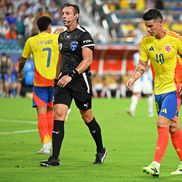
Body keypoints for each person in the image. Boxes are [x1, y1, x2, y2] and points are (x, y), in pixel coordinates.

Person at [40, 3, 107, 167]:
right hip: (64, 81)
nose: (64, 16)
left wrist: (72, 75)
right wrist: (57, 77)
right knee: (59, 115)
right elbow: (61, 59)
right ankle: (55, 158)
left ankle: (100, 149)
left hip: (80, 81)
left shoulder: (84, 35)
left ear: (76, 16)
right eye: (63, 13)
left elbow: (88, 60)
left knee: (87, 117)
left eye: (68, 13)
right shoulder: (61, 36)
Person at [126, 9, 182, 177]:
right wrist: (134, 78)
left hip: (174, 88)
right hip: (158, 90)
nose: (148, 29)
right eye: (146, 26)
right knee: (172, 127)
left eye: (151, 26)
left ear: (160, 22)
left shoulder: (175, 40)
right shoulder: (145, 41)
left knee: (161, 123)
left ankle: (156, 164)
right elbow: (142, 65)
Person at [18, 16, 60, 154]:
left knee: (41, 114)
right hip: (54, 82)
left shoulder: (31, 41)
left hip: (40, 82)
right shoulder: (56, 38)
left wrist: (20, 72)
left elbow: (23, 59)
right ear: (49, 27)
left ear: (38, 27)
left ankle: (46, 145)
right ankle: (51, 143)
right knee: (50, 112)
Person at [127, 52, 154, 117]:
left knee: (149, 94)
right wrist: (134, 76)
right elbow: (135, 66)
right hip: (138, 76)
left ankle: (151, 111)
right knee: (136, 93)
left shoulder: (149, 52)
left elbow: (148, 66)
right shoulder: (135, 55)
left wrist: (142, 72)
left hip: (146, 77)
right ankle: (131, 109)